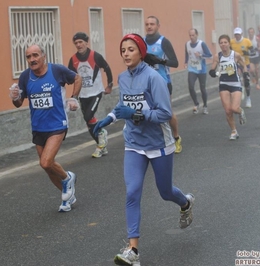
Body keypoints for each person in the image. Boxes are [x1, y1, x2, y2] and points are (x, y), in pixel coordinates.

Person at [93, 33, 194, 266]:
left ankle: (185, 203)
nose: (126, 53)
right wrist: (109, 118)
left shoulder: (153, 78)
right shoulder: (122, 77)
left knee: (165, 191)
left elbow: (165, 114)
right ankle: (133, 251)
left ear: (140, 52)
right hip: (134, 144)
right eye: (123, 50)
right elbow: (123, 105)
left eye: (130, 49)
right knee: (132, 192)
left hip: (158, 143)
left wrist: (137, 114)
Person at [9, 44, 82, 212]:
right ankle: (67, 196)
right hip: (38, 127)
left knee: (46, 162)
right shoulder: (26, 77)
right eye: (28, 57)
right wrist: (15, 97)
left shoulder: (56, 70)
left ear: (43, 56)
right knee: (47, 168)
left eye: (35, 55)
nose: (32, 59)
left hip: (57, 124)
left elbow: (77, 78)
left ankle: (68, 177)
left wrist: (74, 98)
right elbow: (19, 103)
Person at [68, 32, 114, 158]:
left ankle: (102, 132)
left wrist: (109, 85)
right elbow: (70, 77)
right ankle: (101, 145)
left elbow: (107, 68)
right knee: (88, 122)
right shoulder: (73, 60)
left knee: (89, 116)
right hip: (83, 95)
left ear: (86, 42)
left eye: (81, 42)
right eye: (76, 43)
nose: (78, 45)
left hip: (96, 92)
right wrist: (73, 96)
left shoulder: (95, 56)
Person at [143, 16, 183, 153]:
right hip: (146, 83)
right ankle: (155, 140)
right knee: (148, 112)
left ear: (158, 26)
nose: (149, 26)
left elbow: (175, 62)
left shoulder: (164, 42)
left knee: (167, 113)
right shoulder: (141, 42)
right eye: (147, 24)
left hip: (163, 82)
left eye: (152, 24)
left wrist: (160, 61)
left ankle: (176, 137)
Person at [208, 35, 247, 140]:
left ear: (229, 43)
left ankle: (240, 111)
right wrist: (213, 73)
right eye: (221, 42)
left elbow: (244, 65)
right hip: (223, 84)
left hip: (235, 84)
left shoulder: (236, 55)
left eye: (225, 42)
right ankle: (234, 131)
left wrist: (246, 76)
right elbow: (212, 69)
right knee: (228, 110)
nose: (223, 44)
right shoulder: (217, 56)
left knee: (234, 108)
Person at [184, 28, 213, 114]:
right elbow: (186, 53)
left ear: (197, 35)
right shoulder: (187, 44)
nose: (191, 37)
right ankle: (196, 104)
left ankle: (205, 106)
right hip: (192, 68)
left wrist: (200, 55)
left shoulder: (202, 44)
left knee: (202, 89)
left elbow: (210, 55)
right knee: (191, 86)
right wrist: (185, 62)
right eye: (190, 35)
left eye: (193, 35)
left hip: (201, 70)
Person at [230, 27, 253, 108]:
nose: (237, 36)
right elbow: (229, 52)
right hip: (236, 63)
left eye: (238, 34)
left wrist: (247, 53)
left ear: (241, 34)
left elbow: (253, 52)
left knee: (246, 81)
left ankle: (248, 98)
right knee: (237, 77)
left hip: (246, 63)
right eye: (236, 35)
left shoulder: (247, 41)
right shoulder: (231, 42)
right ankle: (241, 88)